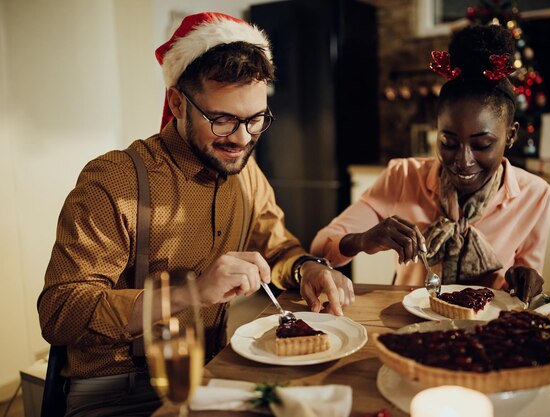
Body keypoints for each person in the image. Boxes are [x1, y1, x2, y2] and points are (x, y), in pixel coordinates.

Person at [38, 12, 354, 417]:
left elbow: (278, 249)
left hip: (213, 372)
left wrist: (307, 268)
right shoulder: (116, 180)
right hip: (120, 390)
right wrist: (192, 294)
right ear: (177, 103)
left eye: (255, 119)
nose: (242, 138)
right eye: (222, 120)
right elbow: (60, 311)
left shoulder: (246, 174)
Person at [311, 24, 550, 303]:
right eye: (449, 143)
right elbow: (320, 246)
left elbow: (527, 275)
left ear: (510, 136)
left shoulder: (536, 195)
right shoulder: (403, 176)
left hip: (489, 327)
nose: (463, 161)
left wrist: (524, 276)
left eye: (482, 144)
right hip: (411, 321)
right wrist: (364, 240)